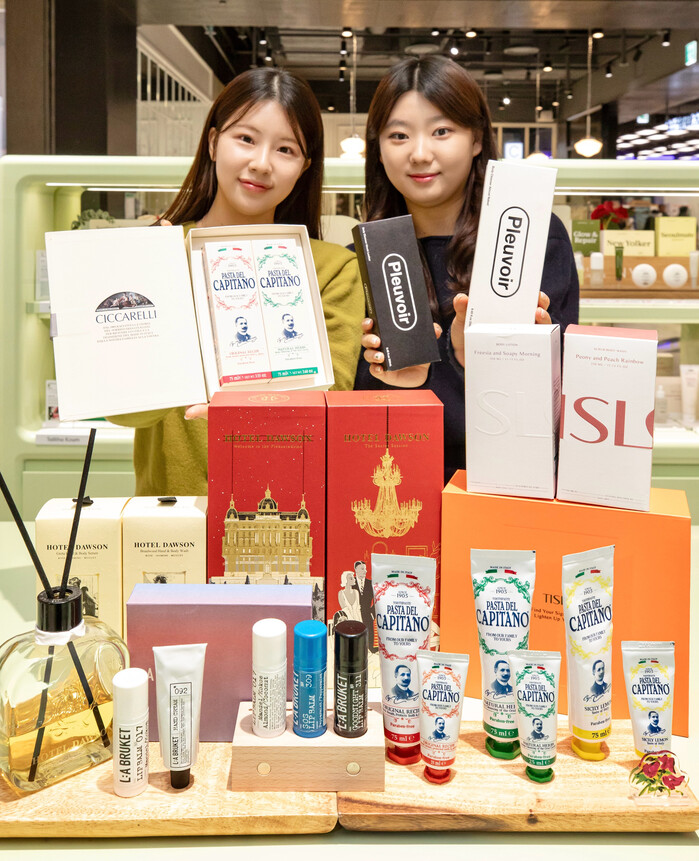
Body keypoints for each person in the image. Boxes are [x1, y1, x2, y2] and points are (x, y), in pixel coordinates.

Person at [110, 68, 365, 496]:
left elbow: (329, 407)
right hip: (172, 517)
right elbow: (123, 411)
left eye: (285, 149)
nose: (261, 163)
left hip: (288, 510)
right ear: (213, 143)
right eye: (246, 138)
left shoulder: (333, 269)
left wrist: (244, 410)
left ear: (304, 167)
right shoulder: (159, 254)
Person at [356, 56, 579, 483]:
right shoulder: (364, 256)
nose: (420, 153)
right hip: (392, 489)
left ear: (476, 139)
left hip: (501, 489)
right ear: (379, 149)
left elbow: (558, 400)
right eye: (399, 135)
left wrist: (475, 361)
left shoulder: (530, 237)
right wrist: (396, 383)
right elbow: (355, 417)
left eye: (441, 131)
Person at [352, 560, 377, 653]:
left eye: (365, 569)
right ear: (356, 569)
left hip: (367, 614)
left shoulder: (370, 583)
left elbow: (376, 599)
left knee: (369, 635)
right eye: (362, 569)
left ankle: (370, 650)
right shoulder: (351, 582)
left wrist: (372, 613)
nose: (365, 571)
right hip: (355, 614)